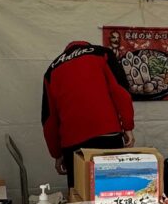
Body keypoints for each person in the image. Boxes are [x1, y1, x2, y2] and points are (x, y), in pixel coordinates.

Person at [42, 40, 136, 188]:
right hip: (107, 134)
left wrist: (57, 155)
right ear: (87, 45)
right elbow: (121, 92)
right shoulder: (102, 53)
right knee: (112, 190)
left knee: (80, 194)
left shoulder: (51, 70)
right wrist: (128, 126)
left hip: (72, 144)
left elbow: (49, 119)